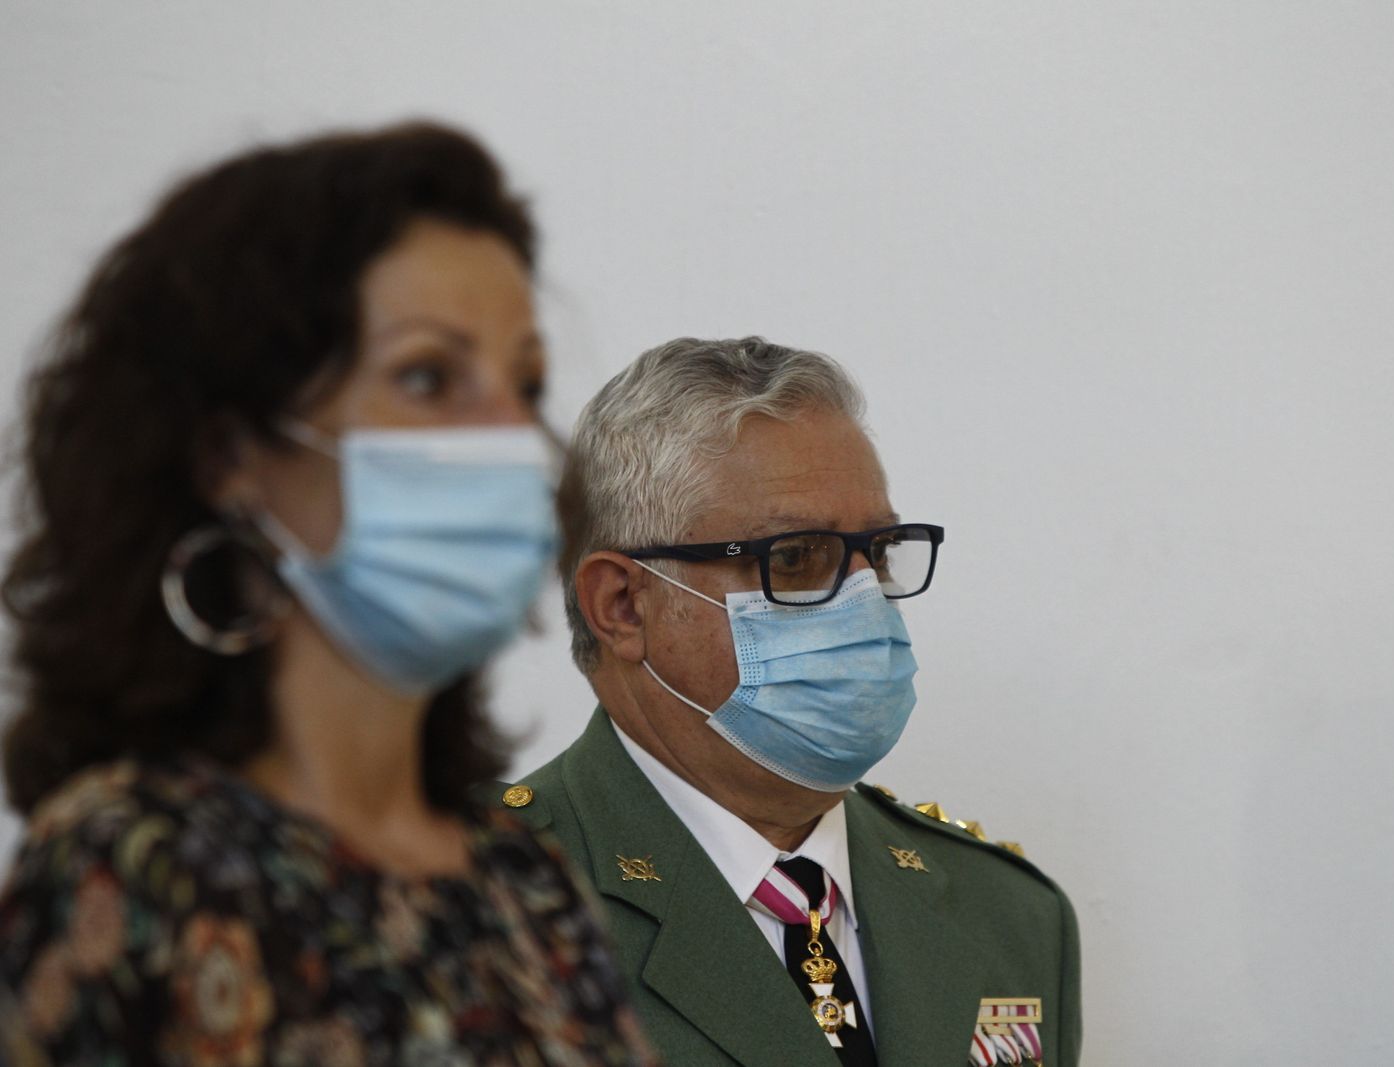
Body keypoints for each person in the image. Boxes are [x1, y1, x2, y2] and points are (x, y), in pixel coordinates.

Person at [0, 122, 655, 1066]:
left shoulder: (527, 879)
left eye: (526, 382)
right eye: (429, 376)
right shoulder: (132, 864)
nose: (512, 435)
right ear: (233, 455)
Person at [496, 337, 1081, 1066]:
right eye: (798, 557)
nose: (867, 600)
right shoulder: (472, 918)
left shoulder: (1009, 915)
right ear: (622, 605)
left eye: (882, 549)